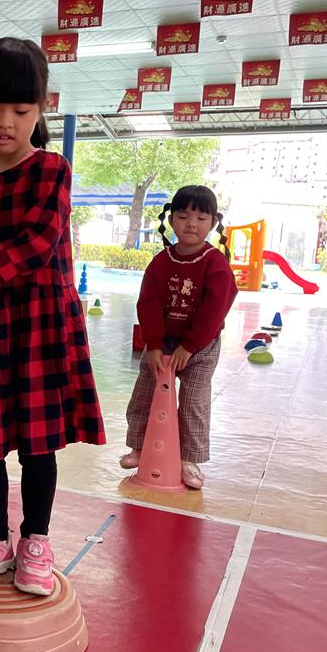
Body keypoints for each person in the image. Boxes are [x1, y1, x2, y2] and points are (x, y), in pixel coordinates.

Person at [0, 38, 105, 596]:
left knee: (39, 442)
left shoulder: (51, 170)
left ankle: (36, 539)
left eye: (19, 110)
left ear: (41, 109)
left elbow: (37, 247)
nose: (4, 123)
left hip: (41, 324)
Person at [120, 185, 237, 489]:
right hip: (162, 344)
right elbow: (148, 304)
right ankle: (139, 446)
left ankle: (189, 459)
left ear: (213, 223)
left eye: (201, 218)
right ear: (171, 220)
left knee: (193, 402)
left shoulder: (215, 264)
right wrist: (154, 345)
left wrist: (190, 345)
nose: (191, 224)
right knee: (144, 394)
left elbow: (215, 310)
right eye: (183, 216)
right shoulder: (161, 262)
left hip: (201, 347)